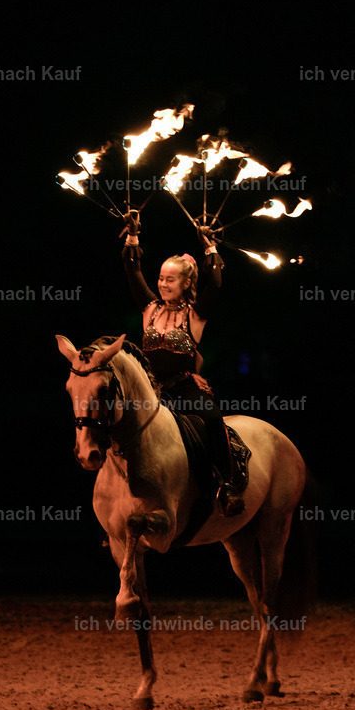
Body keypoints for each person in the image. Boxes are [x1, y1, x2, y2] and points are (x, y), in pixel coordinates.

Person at [122, 210, 245, 517]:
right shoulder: (149, 308)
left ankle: (226, 485)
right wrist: (133, 235)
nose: (163, 284)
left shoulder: (195, 314)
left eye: (170, 279)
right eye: (161, 278)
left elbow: (215, 283)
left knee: (214, 419)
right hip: (152, 391)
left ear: (186, 281)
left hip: (184, 390)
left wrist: (210, 247)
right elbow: (131, 268)